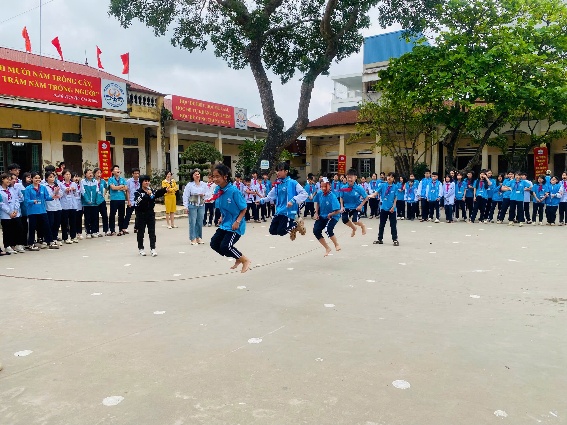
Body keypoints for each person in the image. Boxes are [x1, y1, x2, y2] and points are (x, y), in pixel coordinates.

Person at [209, 164, 251, 273]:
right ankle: (238, 257)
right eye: (214, 176)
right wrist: (221, 217)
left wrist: (237, 221)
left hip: (235, 225)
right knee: (214, 243)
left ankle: (245, 260)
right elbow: (223, 206)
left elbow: (244, 208)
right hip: (225, 223)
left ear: (225, 176)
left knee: (226, 246)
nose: (215, 179)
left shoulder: (234, 191)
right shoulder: (218, 190)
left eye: (218, 176)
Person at [257, 162, 308, 241]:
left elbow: (304, 194)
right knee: (272, 231)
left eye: (280, 170)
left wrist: (293, 200)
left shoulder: (293, 182)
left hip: (288, 212)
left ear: (286, 171)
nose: (278, 172)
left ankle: (295, 224)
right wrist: (261, 200)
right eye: (277, 171)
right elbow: (270, 196)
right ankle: (294, 227)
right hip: (279, 211)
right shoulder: (278, 184)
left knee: (281, 231)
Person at [134, 175, 167, 256]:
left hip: (150, 213)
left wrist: (164, 190)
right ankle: (141, 248)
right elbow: (137, 202)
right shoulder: (138, 192)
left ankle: (153, 248)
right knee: (141, 232)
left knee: (152, 231)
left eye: (148, 181)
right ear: (141, 182)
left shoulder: (151, 190)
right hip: (141, 214)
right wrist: (146, 195)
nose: (147, 182)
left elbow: (157, 194)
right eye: (145, 181)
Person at [24, 171, 57, 250]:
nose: (37, 180)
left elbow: (47, 197)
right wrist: (33, 201)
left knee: (46, 226)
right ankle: (31, 243)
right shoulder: (28, 188)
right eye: (35, 178)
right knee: (32, 227)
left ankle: (50, 242)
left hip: (42, 210)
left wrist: (53, 196)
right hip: (32, 211)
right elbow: (26, 200)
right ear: (32, 179)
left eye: (39, 178)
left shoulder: (43, 187)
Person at [313, 177, 341, 256]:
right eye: (322, 186)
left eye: (325, 186)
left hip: (333, 216)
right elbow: (317, 203)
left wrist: (331, 214)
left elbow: (338, 210)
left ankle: (336, 244)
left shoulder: (332, 196)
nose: (323, 188)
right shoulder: (319, 193)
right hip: (323, 215)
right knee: (316, 231)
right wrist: (316, 213)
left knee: (328, 229)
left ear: (329, 186)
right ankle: (327, 248)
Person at [338, 168, 368, 237]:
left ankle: (362, 226)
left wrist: (361, 205)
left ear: (355, 178)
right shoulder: (344, 187)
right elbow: (341, 197)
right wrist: (342, 206)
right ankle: (354, 228)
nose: (349, 179)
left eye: (351, 178)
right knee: (344, 219)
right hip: (347, 206)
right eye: (348, 177)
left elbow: (366, 197)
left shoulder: (359, 188)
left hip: (356, 207)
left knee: (355, 220)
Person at [0, 173, 25, 254]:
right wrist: (9, 212)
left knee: (19, 228)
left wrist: (15, 210)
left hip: (15, 213)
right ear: (2, 179)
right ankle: (8, 246)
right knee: (7, 230)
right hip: (5, 214)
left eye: (10, 179)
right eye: (7, 179)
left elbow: (17, 199)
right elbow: (1, 203)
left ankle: (18, 244)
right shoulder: (0, 190)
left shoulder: (11, 189)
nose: (9, 181)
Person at [373, 172, 399, 246]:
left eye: (391, 177)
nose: (389, 178)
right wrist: (368, 196)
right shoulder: (383, 185)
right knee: (382, 224)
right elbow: (376, 193)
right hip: (383, 208)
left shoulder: (395, 187)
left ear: (394, 179)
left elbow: (395, 198)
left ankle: (395, 239)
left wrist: (393, 207)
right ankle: (380, 239)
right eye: (388, 176)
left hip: (392, 209)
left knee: (393, 225)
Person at [182, 169, 207, 245]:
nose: (197, 176)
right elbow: (185, 196)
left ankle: (198, 237)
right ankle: (192, 238)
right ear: (192, 176)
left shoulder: (203, 184)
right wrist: (186, 207)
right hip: (192, 205)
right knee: (192, 222)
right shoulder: (189, 185)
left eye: (198, 174)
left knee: (199, 222)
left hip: (201, 205)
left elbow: (209, 193)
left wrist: (204, 195)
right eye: (195, 174)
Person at [108, 165, 129, 236]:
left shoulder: (122, 179)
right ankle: (112, 230)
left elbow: (126, 188)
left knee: (121, 214)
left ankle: (121, 229)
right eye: (116, 169)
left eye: (118, 169)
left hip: (122, 198)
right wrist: (121, 186)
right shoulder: (110, 179)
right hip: (114, 199)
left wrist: (117, 187)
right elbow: (113, 188)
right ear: (112, 172)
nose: (118, 170)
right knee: (112, 215)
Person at [59, 170, 78, 243]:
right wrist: (65, 190)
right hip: (64, 205)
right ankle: (65, 237)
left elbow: (76, 194)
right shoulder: (61, 184)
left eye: (69, 174)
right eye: (66, 174)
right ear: (63, 176)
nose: (68, 176)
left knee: (73, 221)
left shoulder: (74, 184)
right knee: (64, 222)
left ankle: (73, 236)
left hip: (73, 205)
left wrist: (74, 190)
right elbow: (60, 195)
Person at [44, 172, 63, 245]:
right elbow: (47, 197)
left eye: (53, 177)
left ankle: (55, 237)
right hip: (49, 207)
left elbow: (61, 194)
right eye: (50, 177)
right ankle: (49, 239)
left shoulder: (56, 185)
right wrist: (54, 193)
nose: (52, 179)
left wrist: (58, 193)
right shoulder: (44, 186)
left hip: (58, 206)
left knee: (57, 223)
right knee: (50, 223)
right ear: (46, 178)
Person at [81, 169, 100, 238]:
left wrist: (97, 200)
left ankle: (94, 231)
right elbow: (83, 192)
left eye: (91, 173)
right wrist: (87, 200)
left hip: (94, 203)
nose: (91, 174)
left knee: (94, 217)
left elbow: (97, 191)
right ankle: (88, 232)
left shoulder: (95, 181)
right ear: (85, 174)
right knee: (87, 218)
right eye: (89, 173)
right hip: (86, 204)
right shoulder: (83, 181)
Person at [94, 168, 110, 236]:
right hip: (94, 201)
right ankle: (96, 231)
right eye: (97, 173)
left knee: (104, 215)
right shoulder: (92, 181)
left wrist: (104, 194)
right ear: (94, 174)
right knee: (96, 216)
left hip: (102, 200)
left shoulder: (103, 181)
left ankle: (106, 230)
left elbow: (107, 188)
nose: (99, 174)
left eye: (100, 173)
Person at [125, 168, 141, 233]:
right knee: (128, 215)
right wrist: (128, 201)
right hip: (131, 200)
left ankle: (136, 228)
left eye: (138, 173)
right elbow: (127, 191)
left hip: (138, 201)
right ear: (132, 174)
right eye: (135, 173)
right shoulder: (129, 181)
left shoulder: (141, 181)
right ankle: (124, 228)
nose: (137, 175)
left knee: (138, 215)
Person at [72, 172, 84, 239]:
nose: (76, 178)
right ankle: (73, 233)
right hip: (73, 204)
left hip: (80, 204)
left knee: (79, 219)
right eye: (75, 177)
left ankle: (79, 232)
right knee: (73, 219)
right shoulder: (71, 185)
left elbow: (83, 192)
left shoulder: (80, 184)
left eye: (77, 177)